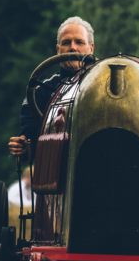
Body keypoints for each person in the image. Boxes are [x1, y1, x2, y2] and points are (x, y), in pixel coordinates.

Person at [9, 17, 95, 158]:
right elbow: (30, 136)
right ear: (58, 50)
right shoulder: (39, 91)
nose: (73, 48)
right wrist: (23, 146)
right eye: (66, 42)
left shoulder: (107, 84)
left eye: (79, 42)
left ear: (91, 48)